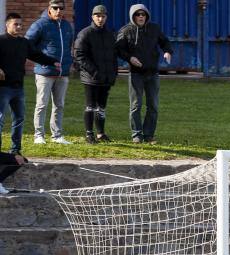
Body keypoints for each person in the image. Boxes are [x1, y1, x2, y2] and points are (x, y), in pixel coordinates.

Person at [0, 12, 59, 155]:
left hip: (18, 88)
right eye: (16, 24)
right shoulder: (1, 41)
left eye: (20, 24)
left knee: (19, 119)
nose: (19, 27)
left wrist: (52, 62)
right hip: (2, 88)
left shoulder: (24, 43)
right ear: (7, 25)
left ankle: (15, 150)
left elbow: (37, 55)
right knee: (0, 120)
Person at [115, 4, 173, 144]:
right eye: (138, 14)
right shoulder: (126, 31)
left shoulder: (154, 28)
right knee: (136, 105)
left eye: (143, 14)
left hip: (152, 73)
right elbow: (118, 49)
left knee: (153, 105)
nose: (141, 16)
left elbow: (164, 41)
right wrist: (130, 58)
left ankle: (148, 135)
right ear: (132, 16)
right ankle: (136, 134)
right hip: (136, 74)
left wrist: (167, 51)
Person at [25, 0, 74, 146]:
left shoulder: (66, 25)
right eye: (55, 8)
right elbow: (27, 44)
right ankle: (38, 135)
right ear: (49, 8)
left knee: (59, 105)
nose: (58, 11)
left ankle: (57, 136)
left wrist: (68, 62)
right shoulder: (40, 24)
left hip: (62, 73)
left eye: (61, 8)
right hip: (45, 73)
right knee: (42, 104)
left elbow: (69, 45)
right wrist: (41, 59)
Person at [73, 5, 118, 144]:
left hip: (106, 78)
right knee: (90, 106)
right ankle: (89, 134)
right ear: (92, 17)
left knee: (102, 107)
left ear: (106, 18)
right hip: (91, 78)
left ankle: (101, 133)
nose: (100, 19)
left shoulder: (110, 34)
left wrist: (113, 73)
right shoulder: (85, 33)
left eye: (103, 16)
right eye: (97, 16)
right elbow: (79, 55)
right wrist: (94, 71)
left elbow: (113, 56)